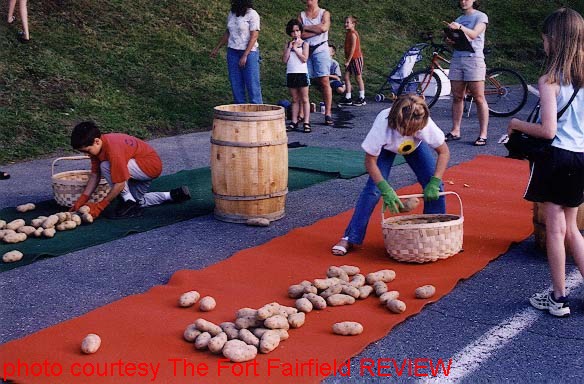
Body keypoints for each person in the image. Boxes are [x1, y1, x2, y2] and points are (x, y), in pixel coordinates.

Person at [507, 7, 584, 317]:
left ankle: (558, 297)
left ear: (554, 40)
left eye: (545, 39)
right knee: (573, 230)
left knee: (555, 230)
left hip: (557, 158)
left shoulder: (550, 80)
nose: (543, 44)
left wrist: (516, 124)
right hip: (581, 157)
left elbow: (548, 130)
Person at [331, 95, 450, 256]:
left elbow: (444, 152)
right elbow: (370, 161)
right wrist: (385, 188)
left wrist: (435, 182)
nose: (412, 132)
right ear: (396, 123)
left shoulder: (423, 121)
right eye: (408, 130)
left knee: (436, 188)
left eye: (416, 130)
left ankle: (435, 233)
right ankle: (350, 237)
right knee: (373, 190)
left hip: (415, 147)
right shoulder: (383, 125)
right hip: (386, 149)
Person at [69, 121, 191, 219]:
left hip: (149, 166)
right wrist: (82, 200)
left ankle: (129, 202)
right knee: (139, 201)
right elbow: (95, 176)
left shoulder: (113, 150)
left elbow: (120, 184)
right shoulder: (97, 149)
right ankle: (172, 195)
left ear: (96, 141)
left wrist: (100, 206)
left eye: (87, 151)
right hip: (138, 167)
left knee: (105, 166)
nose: (86, 155)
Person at [444, 0, 489, 146]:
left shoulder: (481, 17)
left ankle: (483, 134)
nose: (463, 1)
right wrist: (450, 39)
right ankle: (455, 130)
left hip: (474, 59)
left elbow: (475, 34)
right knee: (457, 96)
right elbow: (459, 39)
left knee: (478, 97)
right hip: (457, 58)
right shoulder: (459, 19)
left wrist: (460, 28)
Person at [210, 0, 263, 104]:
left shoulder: (252, 14)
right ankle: (240, 110)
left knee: (252, 83)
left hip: (249, 52)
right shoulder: (232, 13)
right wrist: (217, 47)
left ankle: (257, 110)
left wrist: (245, 55)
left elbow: (254, 36)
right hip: (233, 51)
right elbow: (228, 32)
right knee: (236, 83)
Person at [299, 0, 334, 126]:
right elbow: (299, 34)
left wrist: (306, 27)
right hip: (306, 48)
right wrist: (316, 29)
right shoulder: (302, 15)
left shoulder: (324, 13)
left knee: (324, 80)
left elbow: (324, 28)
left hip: (321, 48)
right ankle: (303, 112)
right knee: (304, 81)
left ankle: (328, 113)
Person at [283, 19, 311, 133]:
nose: (295, 34)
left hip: (302, 73)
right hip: (291, 73)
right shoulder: (288, 44)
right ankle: (294, 121)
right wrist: (290, 48)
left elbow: (304, 59)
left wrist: (296, 49)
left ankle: (306, 122)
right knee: (294, 99)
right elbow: (285, 60)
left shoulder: (305, 44)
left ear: (300, 31)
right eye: (293, 31)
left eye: (297, 31)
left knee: (304, 98)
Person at [338, 16, 366, 107]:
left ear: (353, 24)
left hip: (356, 58)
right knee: (346, 77)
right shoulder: (348, 33)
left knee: (358, 77)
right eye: (345, 22)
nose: (345, 24)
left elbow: (353, 49)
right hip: (349, 59)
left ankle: (362, 97)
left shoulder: (353, 34)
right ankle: (348, 97)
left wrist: (348, 61)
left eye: (347, 23)